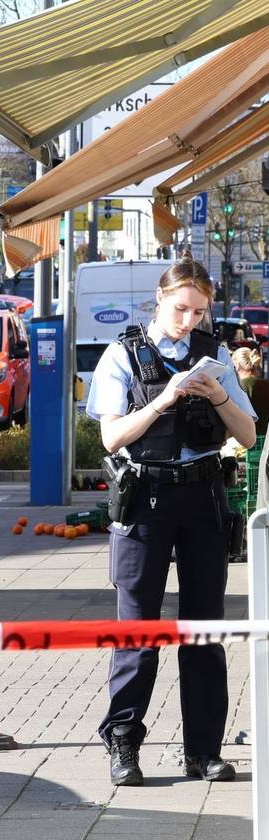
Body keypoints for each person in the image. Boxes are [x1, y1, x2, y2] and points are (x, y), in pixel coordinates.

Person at [86, 254, 256, 787]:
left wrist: (220, 394)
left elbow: (248, 435)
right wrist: (162, 401)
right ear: (159, 300)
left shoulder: (215, 355)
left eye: (199, 312)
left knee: (203, 629)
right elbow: (112, 438)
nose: (189, 321)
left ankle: (203, 751)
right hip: (147, 499)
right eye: (181, 308)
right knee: (138, 628)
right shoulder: (123, 354)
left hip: (203, 495)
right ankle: (123, 745)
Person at [231, 346, 269, 434]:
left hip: (247, 438)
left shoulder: (239, 386)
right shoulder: (265, 384)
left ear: (236, 365)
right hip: (265, 439)